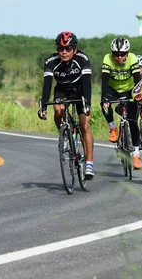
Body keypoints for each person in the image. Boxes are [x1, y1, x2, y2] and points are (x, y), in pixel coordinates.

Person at [38, 31, 95, 179]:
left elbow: (87, 83)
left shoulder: (82, 59)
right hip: (62, 90)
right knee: (57, 110)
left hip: (80, 90)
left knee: (85, 125)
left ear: (74, 50)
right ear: (57, 49)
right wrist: (43, 106)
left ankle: (89, 163)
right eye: (61, 49)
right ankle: (65, 133)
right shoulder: (51, 62)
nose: (64, 52)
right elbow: (47, 85)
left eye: (68, 49)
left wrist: (87, 104)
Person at [100, 37, 142, 169]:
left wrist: (139, 94)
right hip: (113, 88)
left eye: (122, 54)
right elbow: (105, 81)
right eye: (116, 54)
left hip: (129, 89)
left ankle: (136, 154)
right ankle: (113, 127)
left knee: (132, 120)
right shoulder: (107, 58)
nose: (119, 57)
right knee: (104, 103)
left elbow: (137, 79)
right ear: (112, 53)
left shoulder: (133, 58)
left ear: (127, 52)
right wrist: (105, 98)